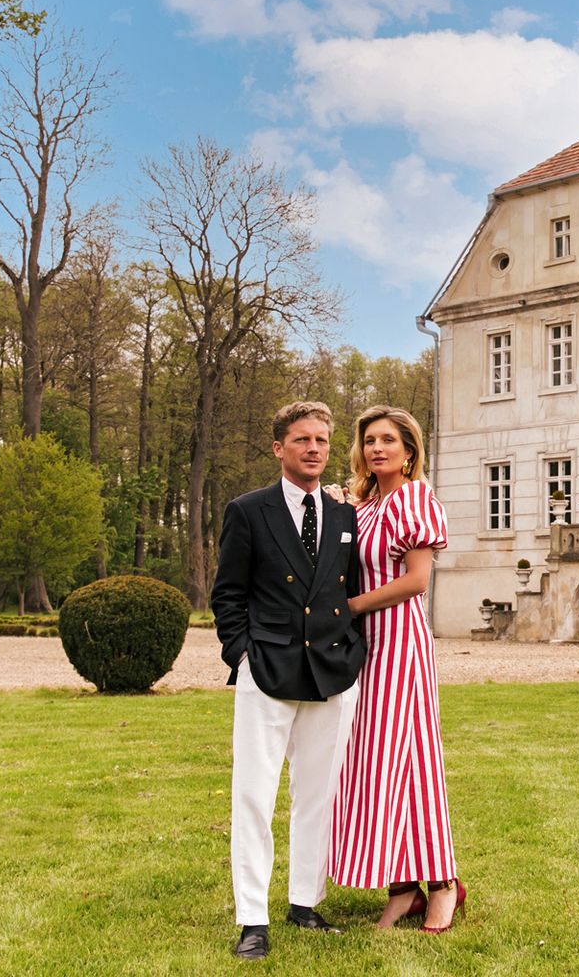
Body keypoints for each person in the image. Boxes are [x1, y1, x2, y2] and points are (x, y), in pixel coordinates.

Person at [211, 401, 366, 960]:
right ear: (279, 448)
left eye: (322, 440)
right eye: (302, 440)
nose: (314, 449)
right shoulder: (248, 511)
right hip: (267, 668)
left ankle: (305, 901)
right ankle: (253, 917)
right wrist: (243, 653)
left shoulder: (346, 516)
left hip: (331, 670)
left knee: (317, 795)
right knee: (253, 795)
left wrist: (352, 650)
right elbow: (228, 594)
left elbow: (349, 590)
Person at [328, 404, 466, 933]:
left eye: (388, 440)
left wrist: (351, 608)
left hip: (400, 641)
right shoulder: (362, 505)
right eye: (369, 441)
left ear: (410, 451)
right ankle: (403, 886)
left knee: (414, 761)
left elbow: (416, 582)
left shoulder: (414, 498)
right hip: (364, 647)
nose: (377, 448)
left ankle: (443, 884)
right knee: (379, 764)